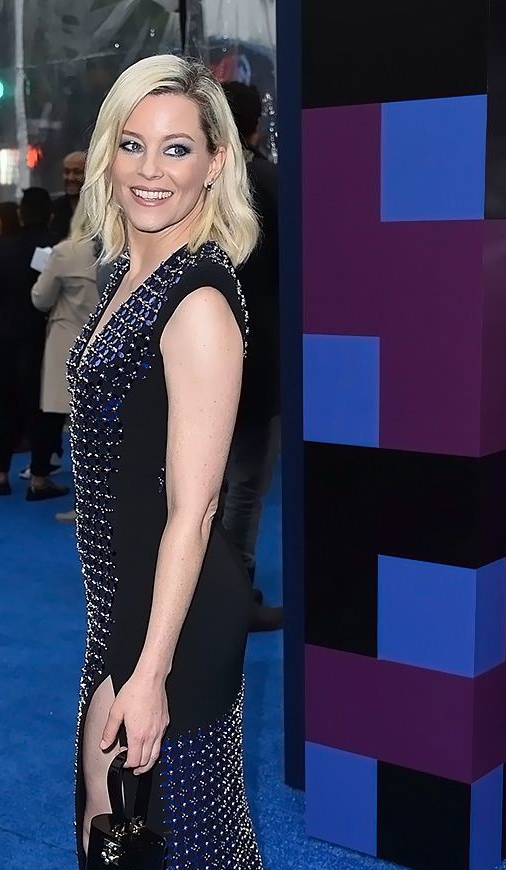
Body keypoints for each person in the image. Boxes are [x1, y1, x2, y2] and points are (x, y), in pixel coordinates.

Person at [68, 55, 307, 870]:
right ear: (106, 156)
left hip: (170, 616)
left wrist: (148, 670)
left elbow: (194, 509)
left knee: (123, 837)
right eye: (133, 144)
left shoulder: (199, 299)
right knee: (197, 825)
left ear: (217, 164)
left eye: (178, 147)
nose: (151, 169)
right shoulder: (130, 268)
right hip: (131, 604)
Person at [221, 81, 282, 633]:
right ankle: (233, 599)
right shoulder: (264, 180)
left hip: (197, 352)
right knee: (244, 483)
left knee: (207, 484)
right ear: (256, 124)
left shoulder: (194, 180)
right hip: (256, 355)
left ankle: (208, 595)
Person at [0, 188, 66, 501]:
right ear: (50, 215)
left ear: (19, 214)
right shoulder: (58, 248)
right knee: (43, 409)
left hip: (2, 337)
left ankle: (0, 470)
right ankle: (39, 477)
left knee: (6, 405)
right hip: (42, 337)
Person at [31, 209, 100, 519]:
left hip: (66, 341)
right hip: (106, 342)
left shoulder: (64, 252)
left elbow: (40, 298)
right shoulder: (123, 249)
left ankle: (74, 497)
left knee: (62, 421)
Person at [50, 151, 86, 242]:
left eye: (77, 172)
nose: (71, 178)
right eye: (67, 172)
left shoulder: (100, 210)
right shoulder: (53, 208)